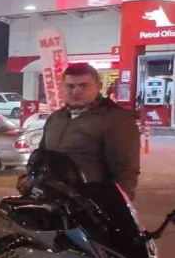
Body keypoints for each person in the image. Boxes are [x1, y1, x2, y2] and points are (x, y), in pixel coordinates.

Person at [40, 62, 140, 198]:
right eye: (70, 86)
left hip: (90, 205)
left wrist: (115, 207)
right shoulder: (56, 118)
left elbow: (125, 172)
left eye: (83, 85)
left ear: (99, 87)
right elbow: (41, 156)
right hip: (53, 201)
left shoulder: (116, 119)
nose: (76, 91)